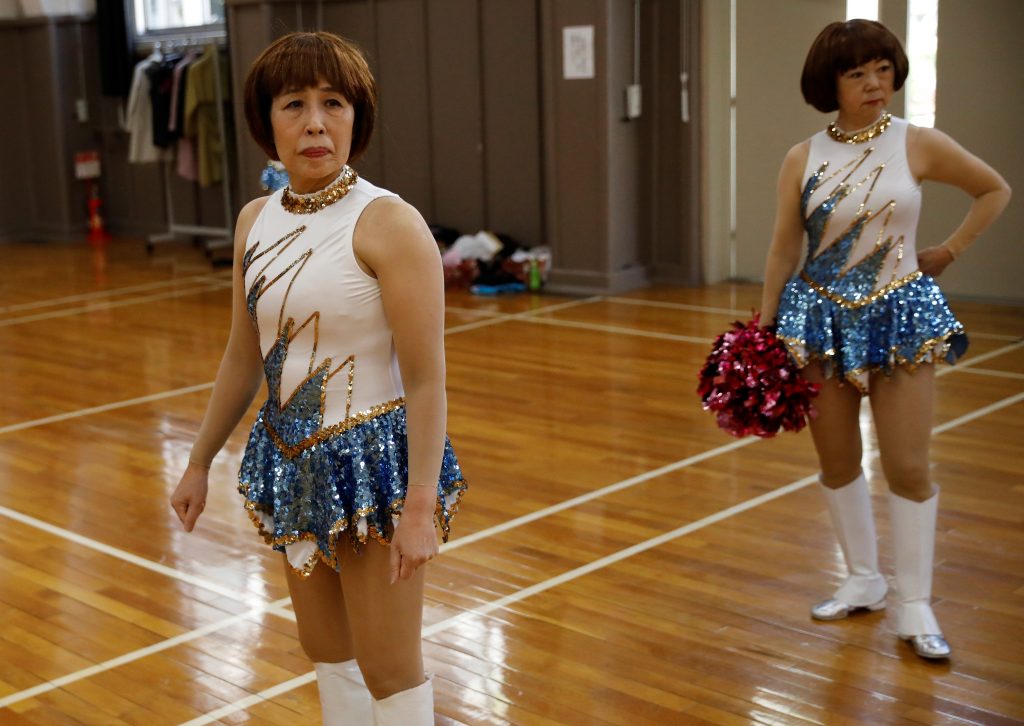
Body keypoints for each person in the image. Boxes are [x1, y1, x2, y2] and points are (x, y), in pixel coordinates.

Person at [169, 31, 467, 723]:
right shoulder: (253, 222)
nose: (314, 122)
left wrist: (419, 507)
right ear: (264, 123)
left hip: (373, 471)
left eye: (333, 103)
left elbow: (427, 379)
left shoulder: (389, 224)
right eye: (293, 104)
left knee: (390, 667)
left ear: (356, 116)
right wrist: (197, 462)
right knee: (325, 648)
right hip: (290, 461)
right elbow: (243, 355)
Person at [759, 20, 1010, 660]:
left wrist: (949, 252)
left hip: (899, 318)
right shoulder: (802, 156)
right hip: (818, 320)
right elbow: (785, 246)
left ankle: (915, 602)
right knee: (838, 463)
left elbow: (993, 189)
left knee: (907, 466)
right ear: (830, 83)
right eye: (857, 73)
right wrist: (764, 330)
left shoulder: (918, 143)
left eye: (883, 69)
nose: (875, 84)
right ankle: (864, 580)